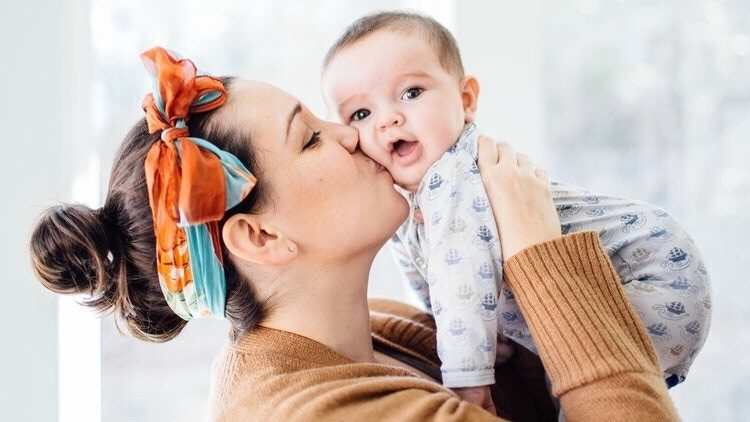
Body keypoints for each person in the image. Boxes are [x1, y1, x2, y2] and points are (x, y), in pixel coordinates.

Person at [29, 47, 679, 421]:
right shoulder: (319, 414)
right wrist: (541, 257)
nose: (350, 132)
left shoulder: (380, 329)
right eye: (310, 137)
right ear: (258, 237)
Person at [321, 11, 711, 409]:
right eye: (361, 114)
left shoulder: (453, 176)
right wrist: (492, 339)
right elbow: (432, 284)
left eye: (411, 92)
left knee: (589, 385)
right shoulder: (404, 204)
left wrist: (467, 380)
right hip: (644, 282)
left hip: (651, 274)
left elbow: (461, 279)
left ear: (466, 99)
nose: (389, 119)